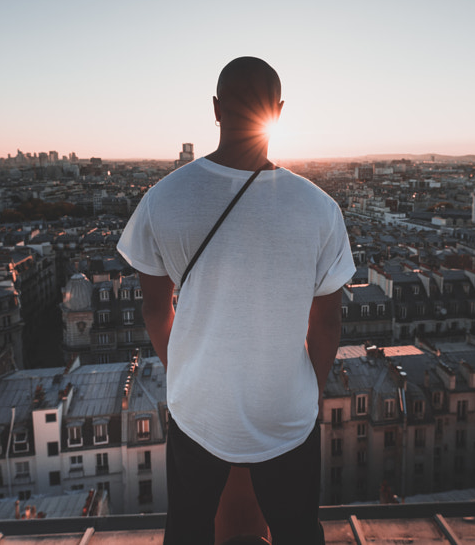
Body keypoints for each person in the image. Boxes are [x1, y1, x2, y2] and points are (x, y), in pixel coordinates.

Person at [117, 56, 355, 545]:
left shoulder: (162, 199)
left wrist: (184, 368)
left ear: (215, 109)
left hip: (198, 407)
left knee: (187, 528)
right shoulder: (319, 208)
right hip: (285, 408)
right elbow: (328, 323)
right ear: (280, 111)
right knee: (296, 532)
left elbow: (156, 309)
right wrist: (309, 389)